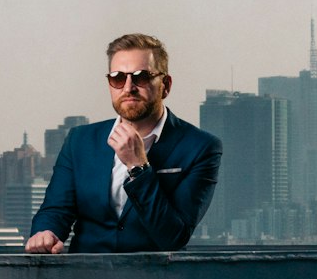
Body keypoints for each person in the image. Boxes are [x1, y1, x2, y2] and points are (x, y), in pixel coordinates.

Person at [25, 33, 222, 253]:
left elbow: (174, 237)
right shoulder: (80, 140)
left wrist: (138, 167)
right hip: (84, 278)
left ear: (165, 85)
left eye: (142, 76)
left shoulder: (201, 147)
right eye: (118, 78)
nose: (128, 88)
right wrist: (46, 233)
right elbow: (55, 210)